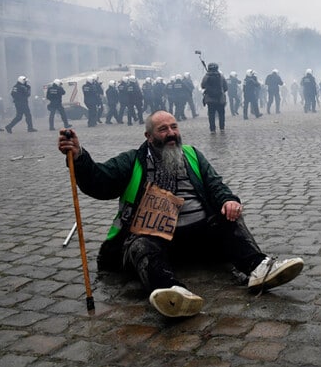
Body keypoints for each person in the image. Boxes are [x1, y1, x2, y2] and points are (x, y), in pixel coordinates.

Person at [56, 111, 304, 318]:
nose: (171, 133)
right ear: (149, 136)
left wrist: (229, 200)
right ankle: (169, 291)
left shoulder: (193, 155)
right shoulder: (132, 160)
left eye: (174, 127)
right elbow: (100, 182)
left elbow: (215, 184)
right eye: (163, 129)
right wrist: (79, 157)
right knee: (139, 244)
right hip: (156, 238)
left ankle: (259, 267)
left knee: (229, 218)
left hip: (199, 236)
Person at [201, 62, 228, 133]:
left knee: (211, 115)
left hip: (210, 99)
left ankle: (212, 129)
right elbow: (226, 87)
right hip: (220, 98)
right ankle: (222, 128)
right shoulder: (221, 76)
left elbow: (203, 86)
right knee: (221, 114)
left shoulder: (206, 76)